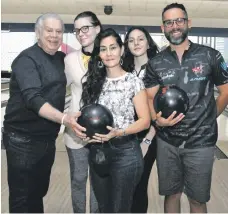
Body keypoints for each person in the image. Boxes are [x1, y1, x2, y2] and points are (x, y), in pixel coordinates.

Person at [144, 3, 228, 213]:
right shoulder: (156, 62)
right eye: (169, 22)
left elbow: (225, 91)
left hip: (201, 143)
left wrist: (209, 118)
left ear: (188, 23)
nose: (174, 26)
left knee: (197, 200)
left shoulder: (211, 56)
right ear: (163, 28)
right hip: (167, 142)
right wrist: (157, 120)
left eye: (179, 20)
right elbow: (149, 97)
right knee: (171, 194)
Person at [2, 13, 81, 213]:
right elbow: (34, 99)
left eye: (58, 31)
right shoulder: (26, 60)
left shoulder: (61, 59)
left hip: (46, 138)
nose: (54, 36)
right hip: (21, 139)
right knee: (22, 197)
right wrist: (64, 118)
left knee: (38, 192)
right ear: (38, 32)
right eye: (49, 30)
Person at [80, 28, 151, 213]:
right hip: (98, 152)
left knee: (120, 209)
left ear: (121, 49)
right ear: (99, 54)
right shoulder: (94, 82)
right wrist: (86, 135)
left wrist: (119, 132)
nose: (108, 53)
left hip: (126, 152)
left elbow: (145, 121)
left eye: (113, 47)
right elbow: (87, 119)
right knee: (103, 208)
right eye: (103, 49)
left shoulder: (133, 81)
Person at [63, 11, 102, 213]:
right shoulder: (69, 60)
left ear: (97, 28)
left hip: (102, 133)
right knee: (78, 179)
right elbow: (61, 92)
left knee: (97, 182)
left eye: (85, 28)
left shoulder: (110, 56)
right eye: (77, 30)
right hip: (75, 132)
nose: (80, 33)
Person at [123, 26, 159, 213]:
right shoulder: (123, 69)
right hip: (125, 134)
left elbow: (159, 107)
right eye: (131, 40)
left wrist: (148, 138)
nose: (136, 43)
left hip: (149, 134)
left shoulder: (157, 67)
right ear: (127, 45)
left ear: (148, 42)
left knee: (139, 182)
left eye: (140, 39)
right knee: (125, 185)